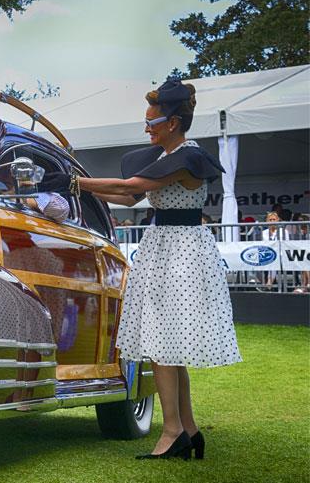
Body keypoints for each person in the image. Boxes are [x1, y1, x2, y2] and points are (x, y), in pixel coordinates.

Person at [65, 77, 242, 460]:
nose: (146, 128)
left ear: (173, 123)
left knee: (162, 345)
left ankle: (174, 430)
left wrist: (74, 181)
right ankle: (190, 430)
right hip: (166, 247)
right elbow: (129, 194)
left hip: (180, 250)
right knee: (169, 346)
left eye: (152, 121)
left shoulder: (187, 159)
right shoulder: (166, 159)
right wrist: (81, 189)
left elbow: (128, 183)